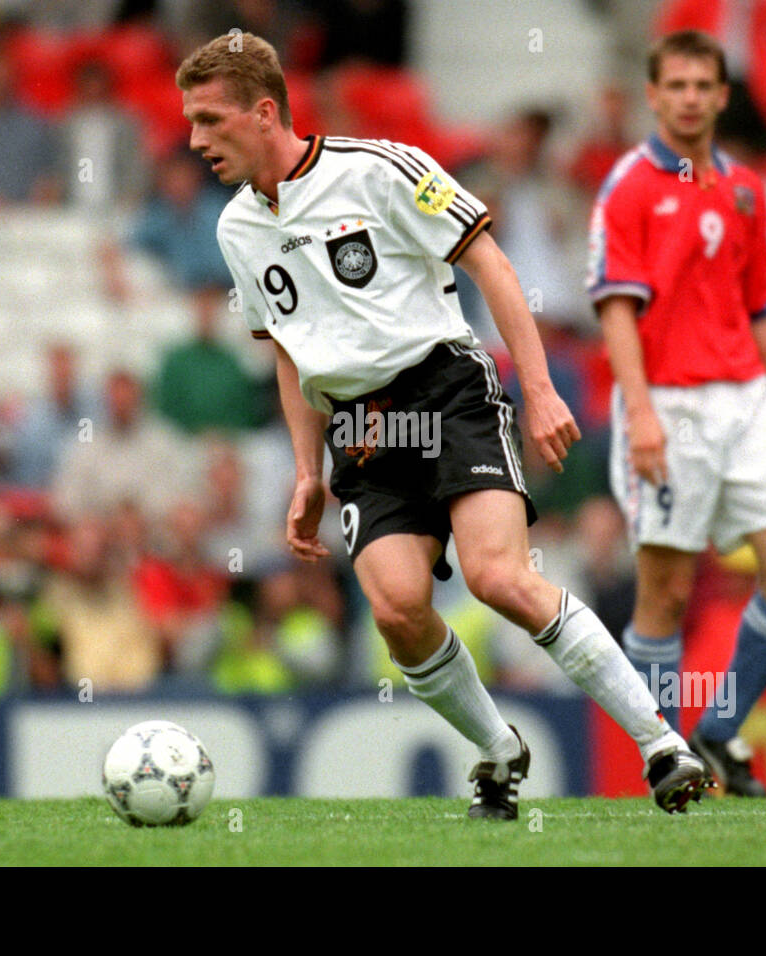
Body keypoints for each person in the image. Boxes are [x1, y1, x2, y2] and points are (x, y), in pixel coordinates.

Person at [177, 32, 712, 820]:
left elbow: (488, 260)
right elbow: (286, 355)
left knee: (498, 576)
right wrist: (305, 471)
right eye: (189, 122)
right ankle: (499, 750)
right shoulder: (236, 229)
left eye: (209, 120)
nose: (194, 140)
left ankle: (661, 743)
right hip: (360, 428)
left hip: (445, 389)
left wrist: (540, 389)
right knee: (395, 609)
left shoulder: (380, 168)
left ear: (263, 112)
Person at [590, 30, 766, 796]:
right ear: (653, 95)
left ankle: (718, 729)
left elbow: (762, 307)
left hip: (748, 399)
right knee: (667, 593)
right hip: (670, 401)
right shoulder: (628, 187)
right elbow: (617, 309)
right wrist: (644, 414)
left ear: (723, 96)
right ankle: (668, 759)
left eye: (703, 85)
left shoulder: (746, 190)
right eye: (676, 85)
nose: (690, 97)